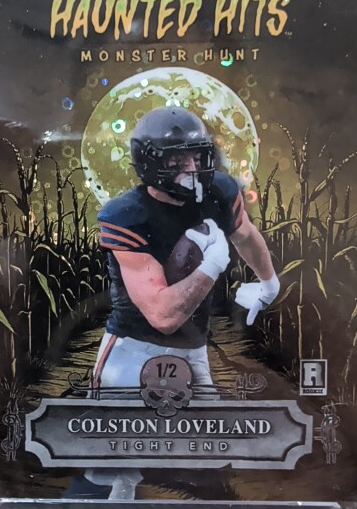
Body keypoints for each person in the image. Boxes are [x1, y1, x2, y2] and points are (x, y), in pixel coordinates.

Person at [93, 105, 280, 394]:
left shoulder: (218, 193)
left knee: (208, 424)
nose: (193, 168)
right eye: (177, 160)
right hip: (134, 351)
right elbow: (164, 317)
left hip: (193, 351)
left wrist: (269, 284)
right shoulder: (127, 216)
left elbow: (245, 235)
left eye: (197, 157)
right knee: (123, 425)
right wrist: (212, 265)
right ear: (149, 162)